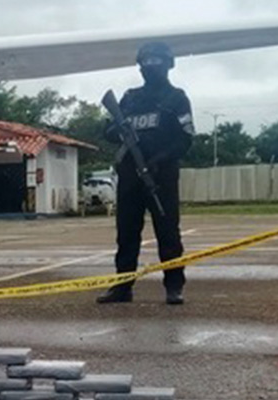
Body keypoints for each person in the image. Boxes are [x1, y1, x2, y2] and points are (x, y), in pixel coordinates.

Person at [97, 41, 194, 306]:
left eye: (156, 62)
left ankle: (174, 286)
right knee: (126, 233)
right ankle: (122, 287)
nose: (151, 68)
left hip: (161, 176)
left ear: (168, 65)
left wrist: (158, 160)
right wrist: (120, 131)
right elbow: (106, 131)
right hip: (129, 176)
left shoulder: (177, 98)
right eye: (146, 63)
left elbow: (185, 140)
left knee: (168, 234)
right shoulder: (130, 98)